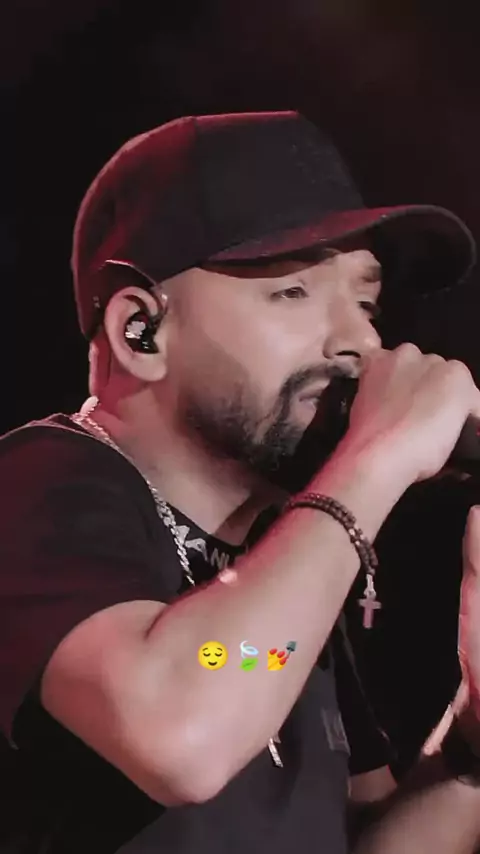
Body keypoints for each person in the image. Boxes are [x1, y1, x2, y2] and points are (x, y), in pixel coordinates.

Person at [1, 110, 480, 854]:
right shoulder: (36, 485)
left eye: (366, 303)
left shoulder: (282, 571)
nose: (362, 341)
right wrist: (379, 457)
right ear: (141, 332)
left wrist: (472, 741)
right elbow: (179, 734)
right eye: (293, 292)